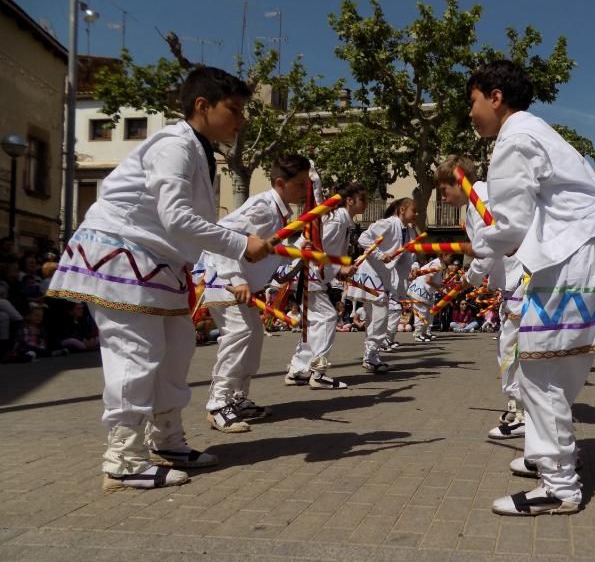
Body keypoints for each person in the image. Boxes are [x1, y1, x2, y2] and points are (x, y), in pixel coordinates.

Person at [46, 66, 271, 491]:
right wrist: (241, 244)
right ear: (202, 106)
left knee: (177, 349)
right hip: (123, 255)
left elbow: (181, 221)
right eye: (234, 109)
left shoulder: (197, 149)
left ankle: (166, 440)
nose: (241, 120)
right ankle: (123, 459)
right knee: (136, 353)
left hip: (156, 264)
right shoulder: (174, 145)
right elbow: (176, 217)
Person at [463, 59, 595, 516]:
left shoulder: (515, 139)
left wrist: (476, 255)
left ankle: (559, 485)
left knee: (537, 372)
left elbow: (510, 225)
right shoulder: (542, 131)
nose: (470, 112)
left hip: (573, 257)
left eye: (473, 100)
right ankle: (551, 455)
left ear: (495, 96)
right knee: (560, 370)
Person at [197, 155, 313, 433]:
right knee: (239, 335)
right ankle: (217, 404)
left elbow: (266, 254)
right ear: (280, 183)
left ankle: (237, 398)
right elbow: (223, 235)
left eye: (307, 185)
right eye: (300, 185)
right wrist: (236, 279)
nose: (304, 191)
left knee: (253, 338)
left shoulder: (280, 211)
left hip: (245, 286)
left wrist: (298, 249)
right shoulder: (262, 207)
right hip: (225, 280)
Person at [434, 154, 527, 440]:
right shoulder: (487, 196)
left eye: (444, 190)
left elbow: (487, 249)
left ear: (457, 181)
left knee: (511, 347)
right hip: (518, 279)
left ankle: (522, 412)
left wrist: (468, 279)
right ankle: (518, 407)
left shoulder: (480, 202)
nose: (443, 198)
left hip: (521, 279)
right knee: (512, 345)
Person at [285, 182, 369, 388]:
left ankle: (298, 370)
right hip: (310, 275)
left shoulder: (341, 221)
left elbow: (325, 253)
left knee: (312, 324)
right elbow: (317, 248)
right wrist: (338, 270)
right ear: (349, 201)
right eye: (363, 200)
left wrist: (338, 270)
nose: (366, 204)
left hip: (310, 276)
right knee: (327, 318)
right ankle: (318, 372)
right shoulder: (337, 221)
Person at [346, 198, 418, 373]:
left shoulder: (409, 231)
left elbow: (408, 254)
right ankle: (371, 355)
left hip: (382, 275)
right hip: (371, 272)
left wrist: (414, 267)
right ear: (402, 209)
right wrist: (380, 254)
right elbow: (364, 238)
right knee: (381, 314)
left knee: (375, 316)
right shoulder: (387, 224)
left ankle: (371, 356)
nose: (416, 214)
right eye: (414, 211)